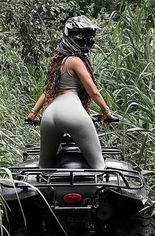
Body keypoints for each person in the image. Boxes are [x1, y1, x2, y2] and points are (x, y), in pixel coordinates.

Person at [26, 15, 116, 169]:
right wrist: (106, 111)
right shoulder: (76, 61)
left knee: (44, 168)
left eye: (89, 40)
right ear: (70, 37)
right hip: (72, 111)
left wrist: (33, 113)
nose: (86, 43)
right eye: (81, 39)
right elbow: (93, 92)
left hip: (50, 114)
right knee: (99, 166)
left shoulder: (57, 61)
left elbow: (48, 91)